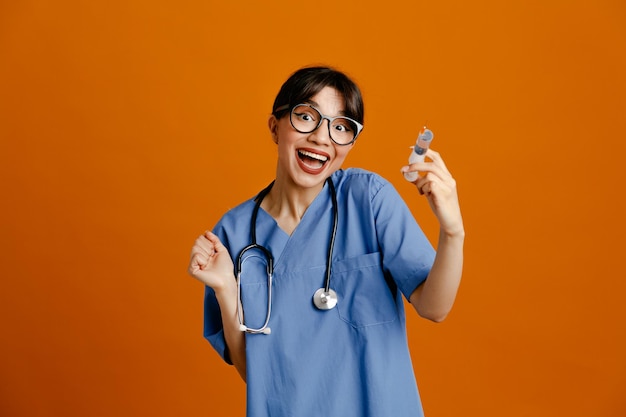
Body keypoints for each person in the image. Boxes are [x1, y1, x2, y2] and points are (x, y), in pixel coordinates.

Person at [187, 66, 464, 417]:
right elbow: (257, 375)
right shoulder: (234, 234)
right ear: (275, 127)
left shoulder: (368, 199)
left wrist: (452, 231)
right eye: (306, 117)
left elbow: (434, 307)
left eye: (341, 127)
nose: (322, 138)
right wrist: (227, 289)